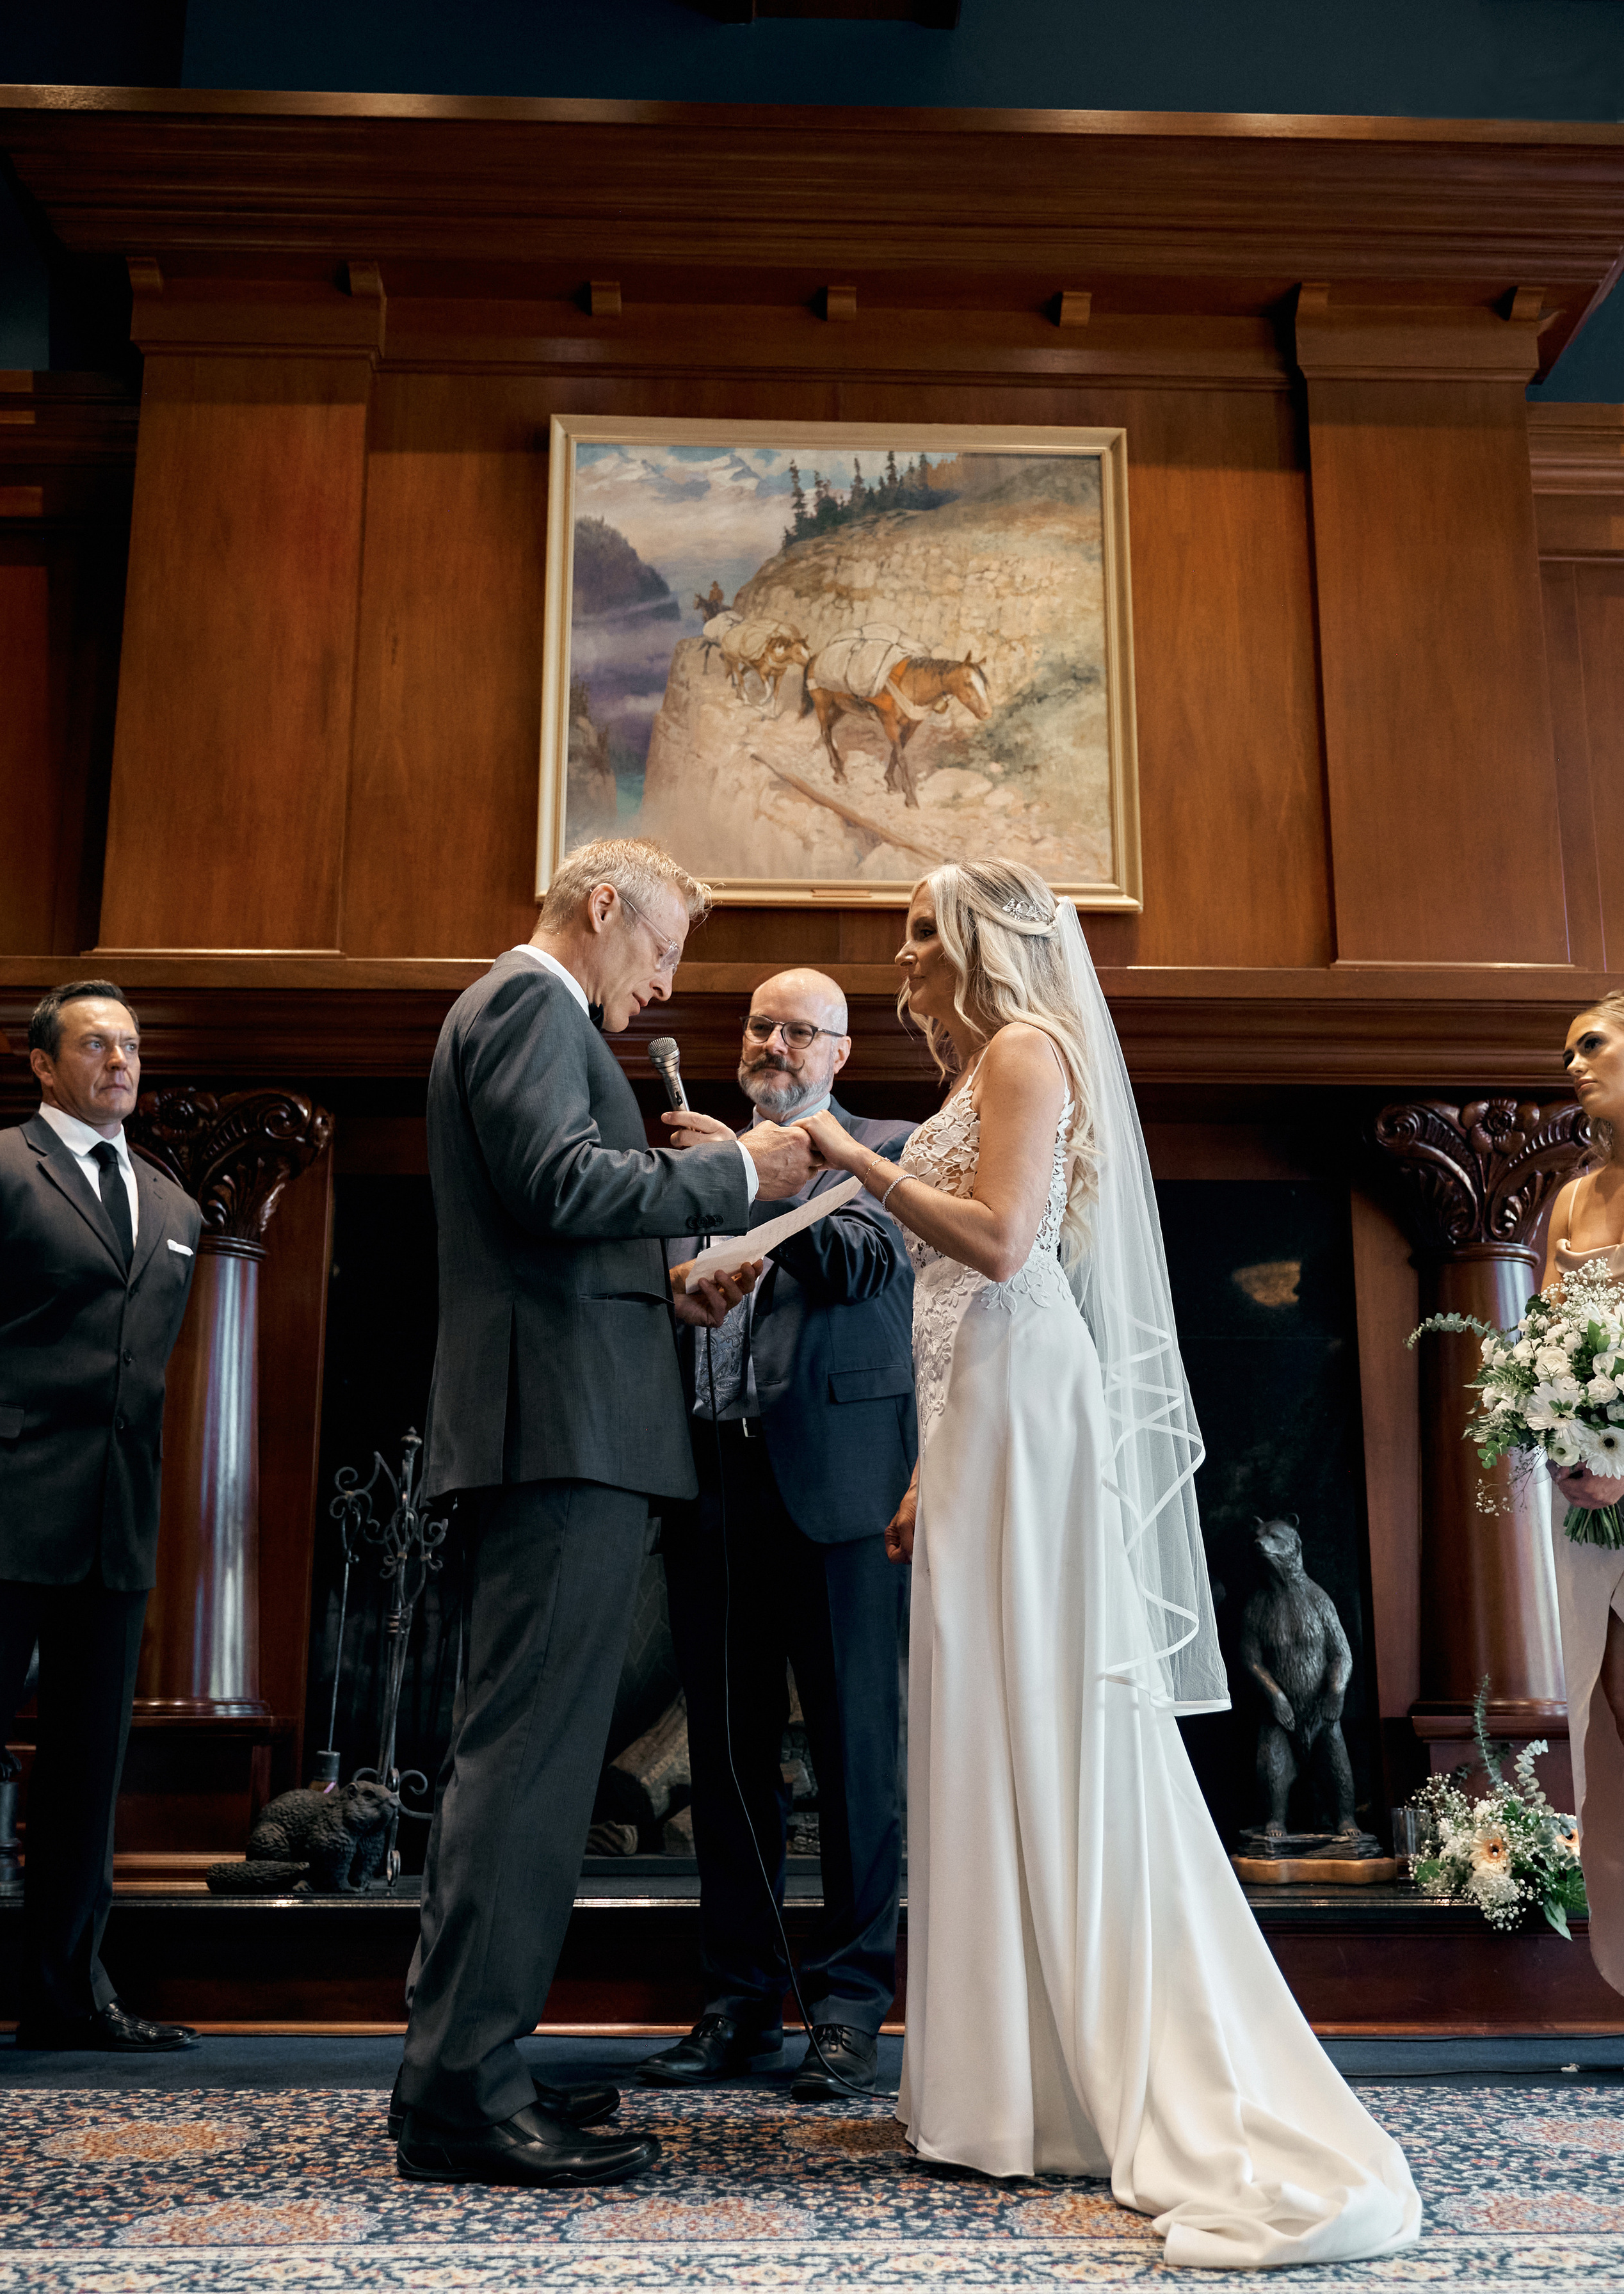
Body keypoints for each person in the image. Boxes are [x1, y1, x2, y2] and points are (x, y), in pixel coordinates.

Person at [797, 860, 1421, 2269]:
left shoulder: (1027, 1049)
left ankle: (1076, 2076)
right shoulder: (981, 1068)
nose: (900, 957)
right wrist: (925, 1464)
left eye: (918, 933)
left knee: (1041, 1718)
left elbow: (1003, 1245)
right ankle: (1002, 2089)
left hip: (1031, 1422)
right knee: (981, 1723)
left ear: (982, 942)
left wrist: (850, 1160)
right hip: (980, 1426)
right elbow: (954, 1309)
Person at [394, 838, 818, 2190]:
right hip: (554, 1442)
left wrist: (665, 1289)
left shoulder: (525, 1013)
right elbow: (562, 1183)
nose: (668, 983)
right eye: (664, 948)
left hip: (561, 1430)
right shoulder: (529, 1005)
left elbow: (556, 1229)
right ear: (599, 906)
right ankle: (463, 2094)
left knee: (522, 1764)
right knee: (523, 1770)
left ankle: (468, 2068)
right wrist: (740, 1177)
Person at [638, 970, 916, 2101]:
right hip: (710, 1483)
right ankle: (738, 2004)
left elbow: (859, 1265)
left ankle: (848, 2011)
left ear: (841, 1054)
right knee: (726, 1758)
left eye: (803, 1030)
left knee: (856, 1756)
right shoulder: (692, 1159)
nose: (778, 1044)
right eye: (762, 1026)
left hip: (843, 1495)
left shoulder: (888, 1151)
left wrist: (751, 1183)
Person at [0, 981, 202, 2053]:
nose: (120, 1061)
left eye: (131, 1045)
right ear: (41, 1064)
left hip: (116, 1521)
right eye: (94, 1045)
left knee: (86, 1770)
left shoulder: (175, 1206)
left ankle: (67, 1998)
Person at [1540, 992, 1624, 1998]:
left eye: (1594, 1043)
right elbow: (1549, 1343)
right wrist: (1560, 1437)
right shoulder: (1572, 1201)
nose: (1574, 1063)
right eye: (1566, 1050)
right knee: (1610, 1717)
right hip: (1592, 1504)